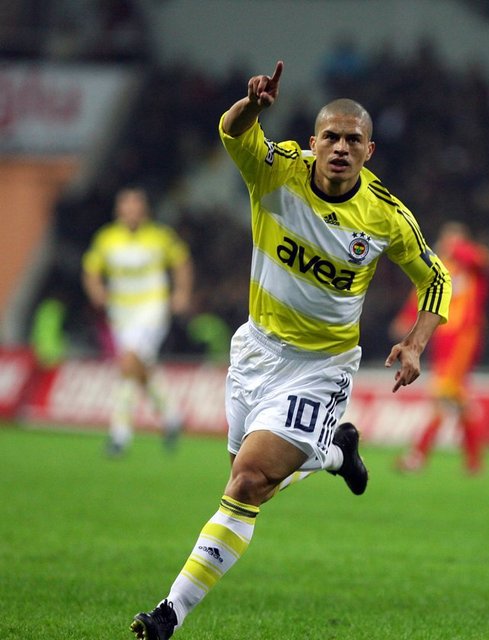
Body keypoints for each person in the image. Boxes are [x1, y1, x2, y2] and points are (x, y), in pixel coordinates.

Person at [130, 61, 451, 640]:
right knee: (252, 482)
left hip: (321, 368)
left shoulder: (386, 216)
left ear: (369, 150)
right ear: (314, 141)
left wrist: (415, 342)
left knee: (247, 483)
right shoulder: (277, 170)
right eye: (331, 136)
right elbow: (232, 133)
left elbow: (436, 279)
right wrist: (252, 106)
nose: (340, 147)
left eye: (353, 140)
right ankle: (335, 454)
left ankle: (168, 614)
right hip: (255, 351)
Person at [82, 186, 193, 455]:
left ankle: (120, 434)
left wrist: (182, 292)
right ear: (119, 210)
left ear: (144, 210)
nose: (131, 211)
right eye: (127, 206)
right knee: (140, 367)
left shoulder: (159, 236)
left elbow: (182, 262)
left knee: (129, 363)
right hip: (121, 313)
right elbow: (91, 269)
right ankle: (171, 417)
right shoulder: (107, 238)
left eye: (136, 206)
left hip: (151, 309)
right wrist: (96, 290)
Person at [393, 221, 489, 474]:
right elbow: (423, 293)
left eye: (454, 240)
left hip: (463, 340)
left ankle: (418, 456)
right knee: (458, 399)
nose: (448, 245)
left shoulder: (472, 266)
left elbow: (484, 260)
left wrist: (456, 247)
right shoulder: (440, 268)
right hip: (442, 340)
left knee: (440, 395)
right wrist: (407, 317)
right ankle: (474, 462)